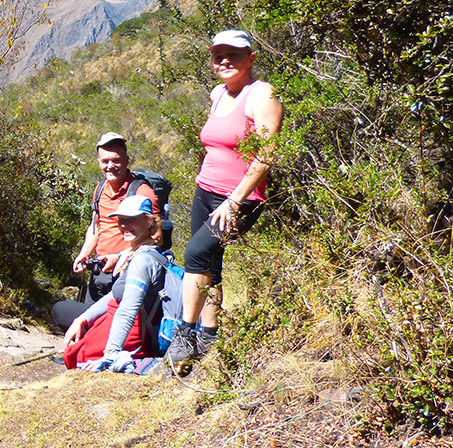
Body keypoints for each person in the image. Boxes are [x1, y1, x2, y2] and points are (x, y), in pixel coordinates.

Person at [165, 30, 283, 365]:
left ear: (251, 58)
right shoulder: (218, 93)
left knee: (195, 254)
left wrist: (235, 200)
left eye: (234, 54)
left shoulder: (262, 95)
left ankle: (184, 335)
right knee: (210, 266)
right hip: (206, 190)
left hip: (240, 199)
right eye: (219, 56)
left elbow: (267, 153)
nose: (225, 61)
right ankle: (209, 339)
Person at [50, 132, 160, 331]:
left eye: (116, 160)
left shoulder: (142, 192)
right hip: (99, 272)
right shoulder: (100, 189)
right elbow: (95, 227)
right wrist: (84, 255)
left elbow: (156, 238)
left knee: (113, 326)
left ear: (127, 160)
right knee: (88, 325)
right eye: (105, 161)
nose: (110, 166)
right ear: (98, 162)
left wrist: (119, 257)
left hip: (127, 275)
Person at [60, 195, 172, 371]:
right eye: (121, 220)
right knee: (74, 338)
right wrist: (82, 319)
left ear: (149, 222)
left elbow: (128, 310)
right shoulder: (137, 253)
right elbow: (115, 295)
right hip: (127, 327)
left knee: (74, 354)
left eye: (132, 220)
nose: (124, 226)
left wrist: (110, 354)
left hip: (134, 336)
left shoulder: (141, 261)